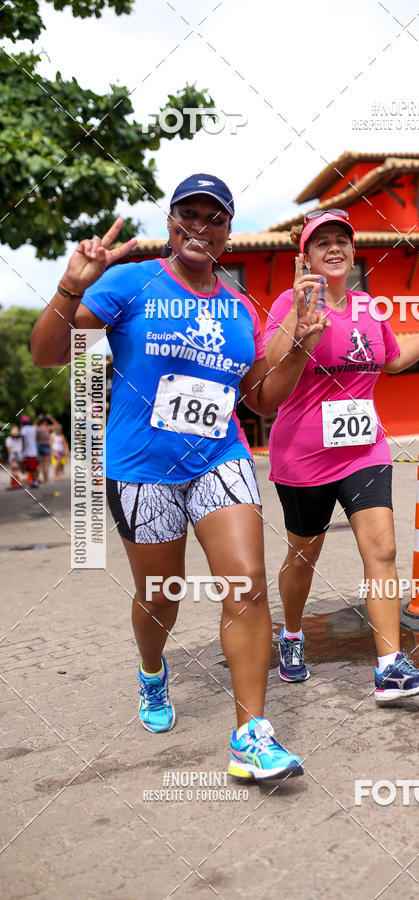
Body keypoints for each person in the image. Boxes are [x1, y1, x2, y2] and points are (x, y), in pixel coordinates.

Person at [31, 174, 328, 780]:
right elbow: (48, 353)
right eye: (187, 214)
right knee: (160, 598)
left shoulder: (240, 307)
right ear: (171, 223)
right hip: (142, 469)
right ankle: (151, 669)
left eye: (213, 217)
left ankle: (250, 737)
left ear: (226, 230)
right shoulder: (130, 283)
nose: (199, 226)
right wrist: (69, 286)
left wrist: (297, 345)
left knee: (244, 583)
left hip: (220, 458)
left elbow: (261, 400)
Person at [264, 209, 419, 701]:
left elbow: (395, 358)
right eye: (323, 243)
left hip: (365, 449)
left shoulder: (368, 307)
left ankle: (389, 667)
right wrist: (298, 319)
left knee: (381, 551)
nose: (334, 248)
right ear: (306, 256)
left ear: (353, 251)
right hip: (303, 456)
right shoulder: (289, 301)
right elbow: (270, 364)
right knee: (303, 556)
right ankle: (291, 635)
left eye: (342, 240)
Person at [35, 414, 58, 484]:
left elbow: (34, 425)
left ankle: (36, 478)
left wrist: (37, 419)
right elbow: (56, 425)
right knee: (46, 465)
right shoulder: (46, 428)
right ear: (45, 422)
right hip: (46, 446)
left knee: (40, 464)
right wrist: (51, 417)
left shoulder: (38, 428)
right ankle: (46, 480)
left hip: (39, 446)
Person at [19, 415, 39, 488]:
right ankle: (34, 481)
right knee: (33, 467)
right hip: (34, 451)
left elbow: (23, 439)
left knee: (31, 468)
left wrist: (23, 448)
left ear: (22, 423)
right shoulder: (33, 428)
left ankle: (35, 482)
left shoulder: (23, 429)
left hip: (28, 452)